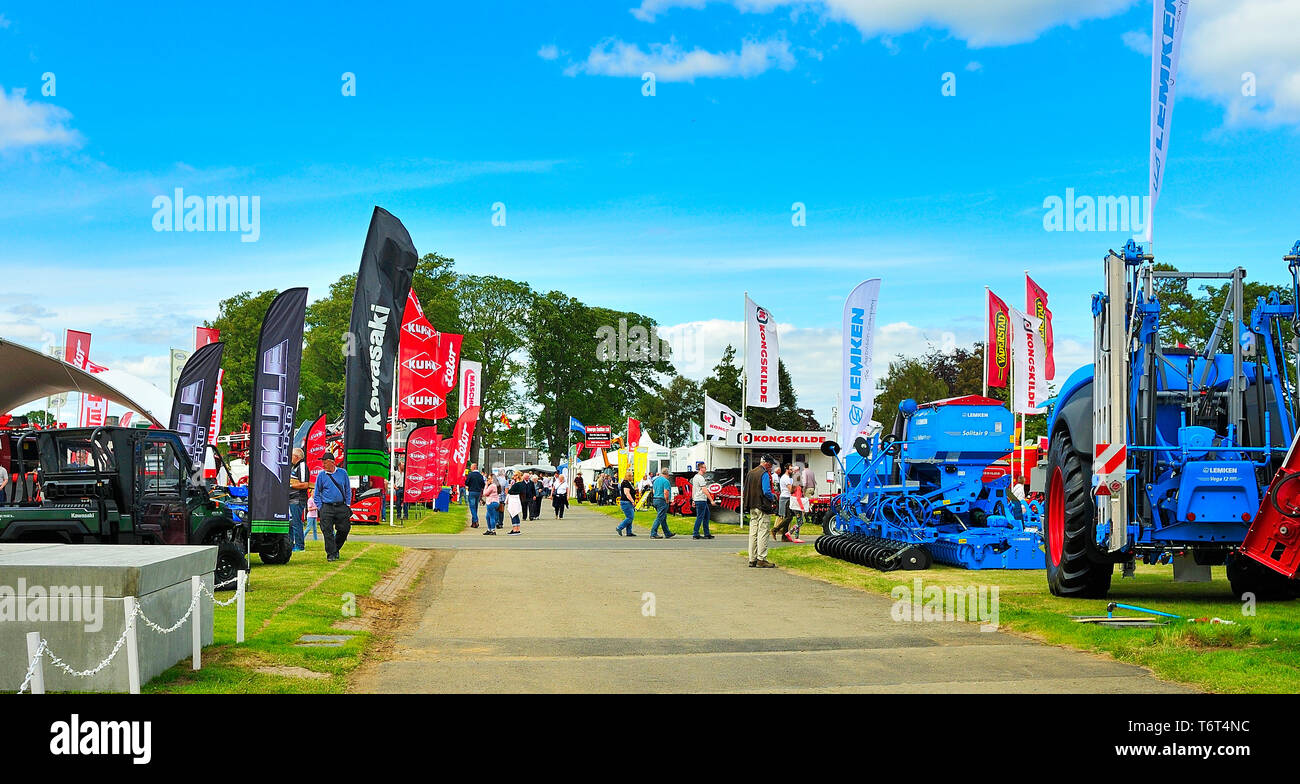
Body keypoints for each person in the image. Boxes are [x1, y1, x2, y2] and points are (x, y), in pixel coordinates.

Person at [314, 452, 352, 562]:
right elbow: (317, 493)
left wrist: (348, 505)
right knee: (327, 531)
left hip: (341, 506)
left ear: (332, 463)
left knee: (344, 529)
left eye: (325, 463)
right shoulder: (321, 475)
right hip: (327, 507)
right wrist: (321, 507)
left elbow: (347, 490)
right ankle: (331, 554)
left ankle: (335, 548)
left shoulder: (343, 473)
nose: (323, 465)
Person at [744, 455, 777, 567]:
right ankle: (761, 558)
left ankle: (752, 558)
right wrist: (773, 497)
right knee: (763, 531)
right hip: (762, 506)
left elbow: (746, 489)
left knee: (753, 532)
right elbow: (766, 491)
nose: (771, 467)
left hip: (752, 505)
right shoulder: (764, 474)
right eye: (771, 464)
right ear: (766, 463)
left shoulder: (750, 473)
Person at [288, 448, 309, 552]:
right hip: (291, 499)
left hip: (297, 499)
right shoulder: (294, 467)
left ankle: (300, 546)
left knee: (296, 523)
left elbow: (305, 484)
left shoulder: (302, 466)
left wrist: (290, 485)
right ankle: (291, 544)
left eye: (291, 455)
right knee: (291, 523)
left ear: (296, 457)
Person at [649, 466, 676, 539]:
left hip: (655, 499)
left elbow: (653, 491)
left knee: (663, 517)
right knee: (660, 517)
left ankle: (667, 533)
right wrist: (667, 500)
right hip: (662, 500)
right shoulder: (666, 481)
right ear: (667, 474)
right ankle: (653, 533)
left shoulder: (656, 480)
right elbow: (666, 492)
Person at [772, 463, 796, 541]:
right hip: (785, 498)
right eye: (790, 469)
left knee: (788, 517)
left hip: (788, 498)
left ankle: (784, 536)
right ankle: (775, 529)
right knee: (788, 517)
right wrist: (797, 487)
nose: (792, 471)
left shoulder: (789, 478)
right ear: (786, 469)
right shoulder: (785, 478)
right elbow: (791, 490)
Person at [691, 461, 714, 540]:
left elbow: (694, 489)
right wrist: (711, 500)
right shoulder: (700, 478)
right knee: (700, 517)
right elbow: (704, 490)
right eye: (704, 467)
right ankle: (695, 533)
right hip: (701, 499)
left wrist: (693, 499)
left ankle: (707, 533)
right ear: (700, 468)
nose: (706, 469)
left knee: (706, 516)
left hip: (698, 499)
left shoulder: (695, 477)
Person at [615, 470, 638, 536]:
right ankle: (619, 527)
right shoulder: (626, 483)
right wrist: (632, 501)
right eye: (632, 476)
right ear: (629, 477)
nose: (632, 477)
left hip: (627, 502)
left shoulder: (627, 483)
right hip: (626, 502)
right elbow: (627, 493)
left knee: (629, 516)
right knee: (630, 517)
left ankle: (629, 532)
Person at [505, 471, 526, 535]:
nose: (513, 477)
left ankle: (515, 529)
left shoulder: (517, 484)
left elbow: (510, 491)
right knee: (515, 514)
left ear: (517, 476)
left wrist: (510, 487)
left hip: (513, 499)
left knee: (513, 513)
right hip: (516, 499)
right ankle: (517, 528)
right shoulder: (521, 483)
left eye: (514, 475)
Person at [465, 462, 486, 528]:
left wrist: (470, 485)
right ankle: (473, 523)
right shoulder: (480, 475)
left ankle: (476, 520)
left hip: (472, 491)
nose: (470, 468)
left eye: (471, 467)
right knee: (475, 507)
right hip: (478, 492)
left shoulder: (470, 475)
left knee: (472, 507)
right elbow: (483, 484)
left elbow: (466, 482)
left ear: (474, 468)